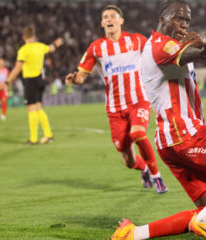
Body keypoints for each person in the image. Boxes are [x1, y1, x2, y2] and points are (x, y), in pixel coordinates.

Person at [109, 0, 206, 239]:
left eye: (187, 20)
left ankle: (133, 234)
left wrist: (205, 42)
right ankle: (203, 221)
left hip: (170, 142)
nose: (184, 24)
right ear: (163, 19)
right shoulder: (160, 47)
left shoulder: (175, 46)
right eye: (178, 18)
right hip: (185, 135)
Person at [65, 5, 168, 194]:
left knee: (138, 134)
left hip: (139, 101)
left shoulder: (137, 41)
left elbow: (156, 55)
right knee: (128, 161)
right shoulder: (96, 48)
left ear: (121, 21)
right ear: (102, 23)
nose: (109, 19)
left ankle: (157, 176)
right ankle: (143, 169)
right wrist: (75, 79)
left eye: (113, 16)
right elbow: (81, 75)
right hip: (115, 108)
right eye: (105, 17)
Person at [7, 27, 63, 144]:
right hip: (40, 80)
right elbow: (51, 48)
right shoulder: (40, 46)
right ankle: (49, 135)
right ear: (34, 36)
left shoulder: (23, 50)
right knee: (38, 108)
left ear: (24, 37)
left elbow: (18, 67)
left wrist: (8, 81)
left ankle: (33, 139)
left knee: (31, 109)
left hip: (30, 81)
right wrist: (56, 43)